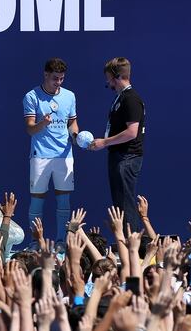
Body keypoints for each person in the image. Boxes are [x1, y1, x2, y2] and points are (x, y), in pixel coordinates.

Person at [23, 58, 78, 245]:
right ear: (45, 74)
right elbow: (30, 129)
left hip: (64, 155)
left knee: (64, 201)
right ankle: (35, 243)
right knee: (37, 200)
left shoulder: (69, 96)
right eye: (55, 78)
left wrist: (76, 135)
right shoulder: (32, 96)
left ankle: (62, 242)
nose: (59, 82)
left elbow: (72, 122)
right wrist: (42, 123)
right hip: (40, 155)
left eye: (62, 78)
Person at [90, 57, 145, 232]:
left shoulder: (131, 99)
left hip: (127, 157)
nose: (107, 82)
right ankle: (128, 246)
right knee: (120, 204)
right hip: (119, 156)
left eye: (108, 78)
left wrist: (104, 142)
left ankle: (133, 250)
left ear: (116, 76)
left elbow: (131, 132)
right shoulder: (121, 98)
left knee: (125, 204)